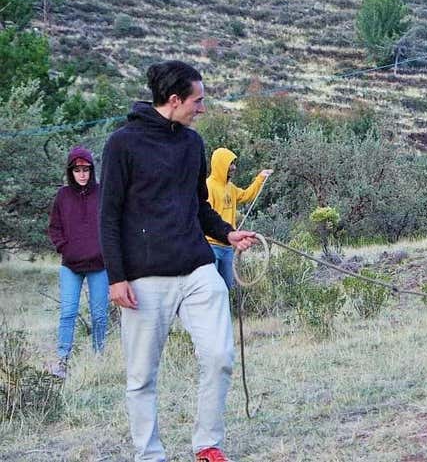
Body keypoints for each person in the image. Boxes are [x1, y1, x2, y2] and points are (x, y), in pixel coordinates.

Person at [100, 61, 259, 462]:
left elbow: (200, 206)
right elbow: (109, 215)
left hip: (197, 267)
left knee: (220, 356)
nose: (201, 109)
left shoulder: (192, 145)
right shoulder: (122, 143)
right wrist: (117, 278)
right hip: (143, 277)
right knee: (141, 376)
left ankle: (207, 445)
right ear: (174, 100)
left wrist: (227, 233)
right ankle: (149, 454)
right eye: (197, 101)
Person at [47, 146, 108, 379]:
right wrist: (65, 247)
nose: (82, 174)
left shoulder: (102, 192)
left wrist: (105, 249)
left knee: (100, 314)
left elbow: (111, 222)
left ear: (92, 170)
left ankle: (99, 357)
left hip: (99, 264)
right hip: (70, 265)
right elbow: (54, 227)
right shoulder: (62, 195)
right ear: (70, 172)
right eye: (77, 170)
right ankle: (62, 360)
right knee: (68, 312)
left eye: (86, 169)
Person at [206, 147, 272, 289]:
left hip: (228, 247)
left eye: (234, 163)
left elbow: (246, 195)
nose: (234, 167)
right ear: (221, 164)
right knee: (211, 289)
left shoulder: (230, 187)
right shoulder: (208, 186)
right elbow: (205, 216)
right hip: (210, 246)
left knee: (227, 287)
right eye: (230, 163)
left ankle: (228, 312)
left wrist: (260, 178)